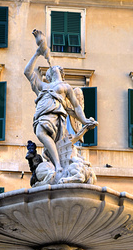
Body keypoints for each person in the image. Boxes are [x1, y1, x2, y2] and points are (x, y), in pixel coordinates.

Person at [24, 38, 97, 173]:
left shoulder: (66, 86)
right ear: (48, 76)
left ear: (61, 73)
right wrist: (37, 53)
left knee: (41, 133)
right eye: (53, 69)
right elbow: (27, 72)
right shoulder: (43, 86)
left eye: (57, 68)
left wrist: (85, 120)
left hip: (55, 117)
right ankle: (57, 164)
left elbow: (76, 107)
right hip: (41, 115)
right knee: (40, 133)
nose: (54, 68)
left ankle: (58, 166)